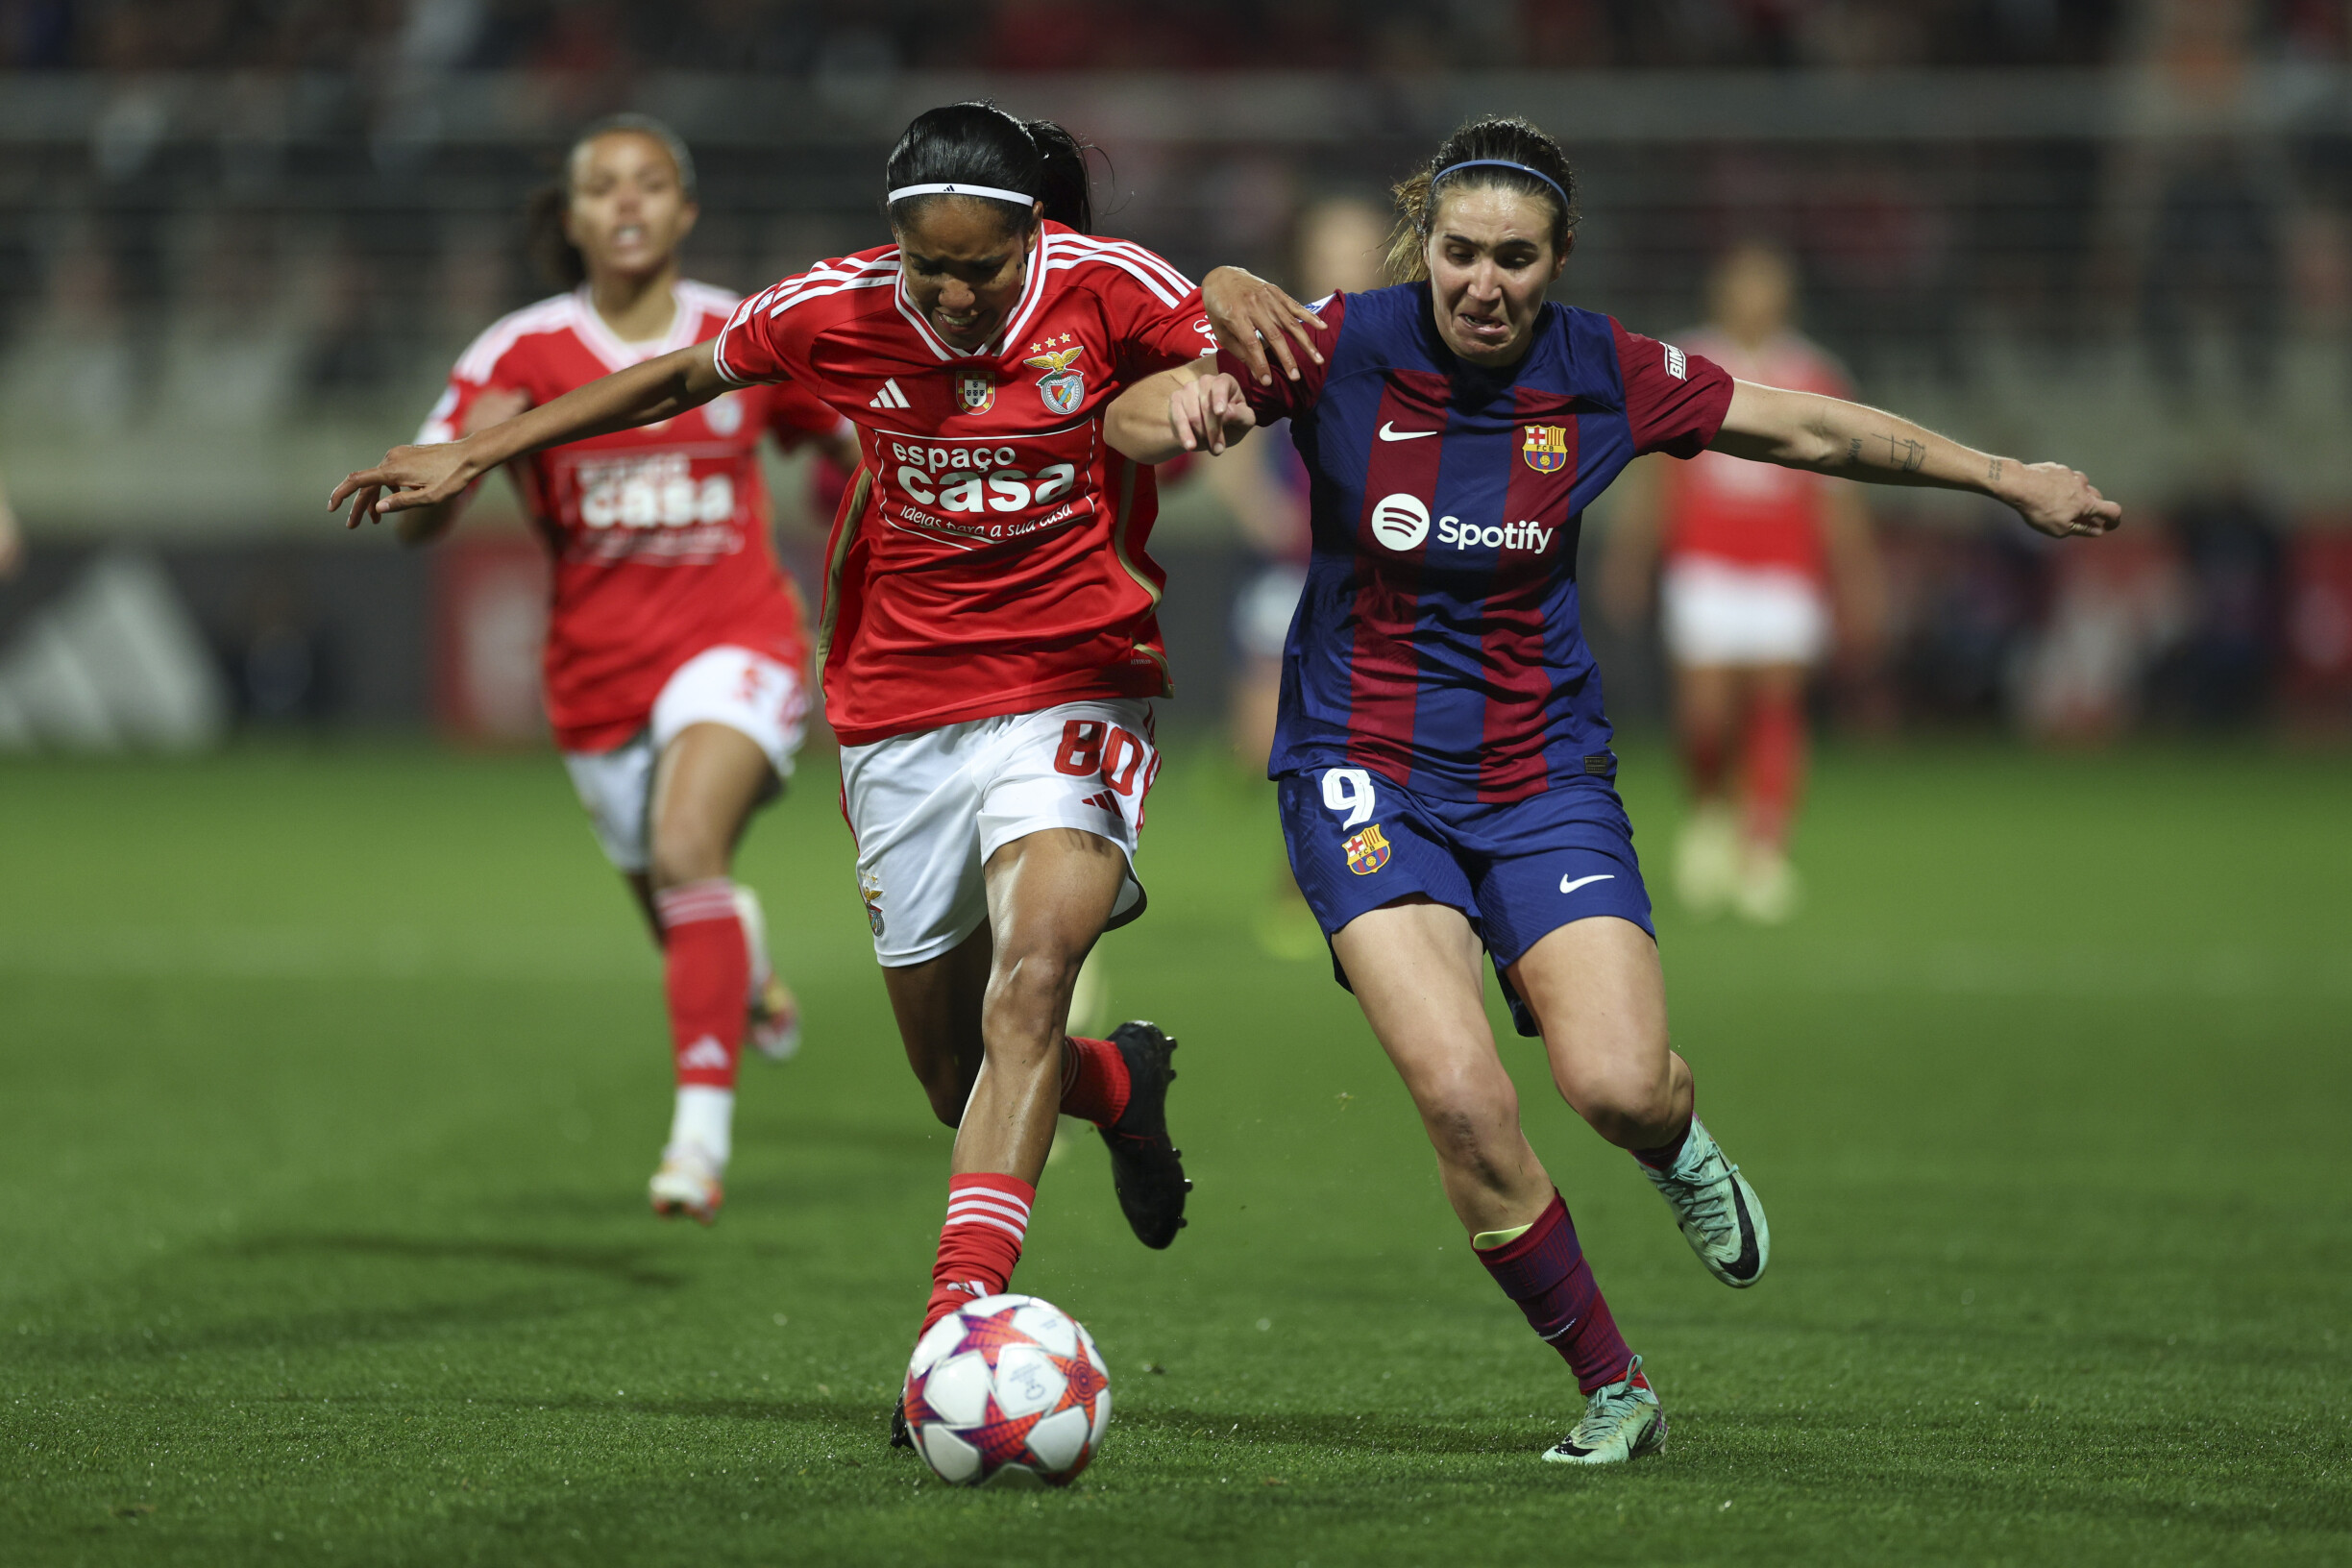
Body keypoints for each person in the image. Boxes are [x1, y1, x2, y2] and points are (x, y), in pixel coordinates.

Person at [1110, 114, 2119, 1464]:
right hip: (1358, 769)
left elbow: (1808, 429)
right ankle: (1615, 1386)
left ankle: (1673, 1142)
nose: (1484, 283)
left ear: (1559, 259)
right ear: (1428, 248)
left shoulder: (1606, 371)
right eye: (1461, 253)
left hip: (1541, 776)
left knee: (1621, 1086)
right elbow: (1123, 405)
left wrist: (2004, 478)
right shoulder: (1340, 340)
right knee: (1464, 1098)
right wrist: (1170, 405)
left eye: (1516, 259)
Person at [330, 102, 1324, 1440]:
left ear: (1032, 235)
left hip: (1074, 680)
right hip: (900, 705)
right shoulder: (832, 307)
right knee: (954, 1074)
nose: (958, 297)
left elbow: (1185, 374)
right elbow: (681, 378)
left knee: (1033, 981)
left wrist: (1215, 327)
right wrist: (482, 449)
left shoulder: (1108, 283)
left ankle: (949, 1339)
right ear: (894, 246)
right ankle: (1119, 1086)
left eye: (983, 270)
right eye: (933, 270)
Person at [368, 115, 854, 1225]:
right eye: (602, 187)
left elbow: (845, 443)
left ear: (684, 211)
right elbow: (422, 510)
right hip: (596, 674)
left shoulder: (741, 331)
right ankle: (752, 972)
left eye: (649, 185)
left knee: (688, 845)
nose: (627, 203)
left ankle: (696, 1142)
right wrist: (438, 489)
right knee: (674, 892)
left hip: (738, 640)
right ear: (574, 217)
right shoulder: (518, 353)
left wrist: (859, 497)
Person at [1600, 240, 1886, 922]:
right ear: (1721, 293)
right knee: (1705, 710)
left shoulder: (1816, 371)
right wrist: (1631, 555)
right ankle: (1707, 813)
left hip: (1786, 567)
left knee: (1776, 704)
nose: (1755, 298)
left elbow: (1838, 493)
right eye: (1743, 285)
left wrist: (1859, 577)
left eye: (1768, 286)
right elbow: (1656, 473)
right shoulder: (1684, 360)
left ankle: (1763, 849)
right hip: (1705, 560)